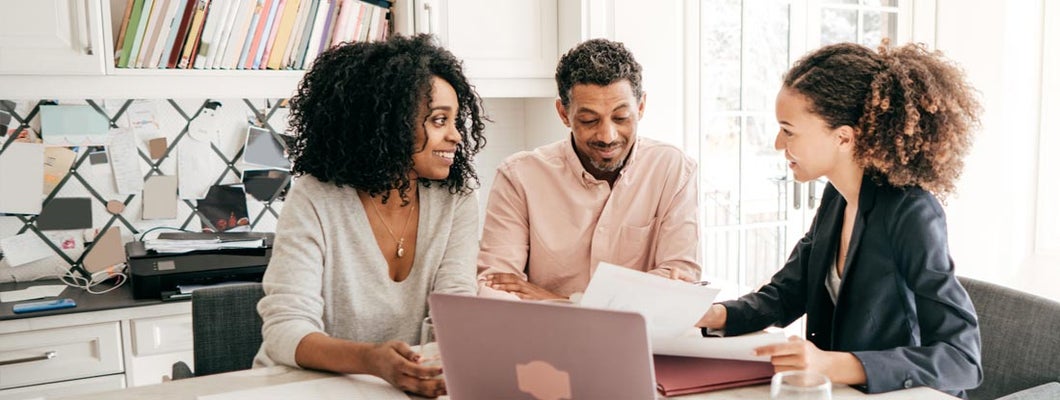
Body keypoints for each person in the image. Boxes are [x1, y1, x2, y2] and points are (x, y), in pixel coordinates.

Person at [696, 42, 983, 397]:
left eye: (788, 130)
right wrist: (713, 315)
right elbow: (787, 293)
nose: (776, 143)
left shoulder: (911, 213)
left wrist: (829, 364)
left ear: (844, 137)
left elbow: (962, 359)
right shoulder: (837, 196)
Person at [253, 34, 486, 398]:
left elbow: (455, 313)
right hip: (308, 389)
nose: (456, 136)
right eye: (439, 120)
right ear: (389, 123)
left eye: (456, 121)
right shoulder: (316, 198)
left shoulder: (456, 200)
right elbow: (285, 330)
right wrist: (371, 360)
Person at [477, 38, 700, 301]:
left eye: (620, 118)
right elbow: (497, 287)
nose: (607, 135)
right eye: (589, 120)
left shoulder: (674, 170)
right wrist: (638, 293)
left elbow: (680, 282)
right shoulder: (518, 177)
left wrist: (560, 301)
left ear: (640, 107)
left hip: (640, 340)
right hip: (546, 340)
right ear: (563, 113)